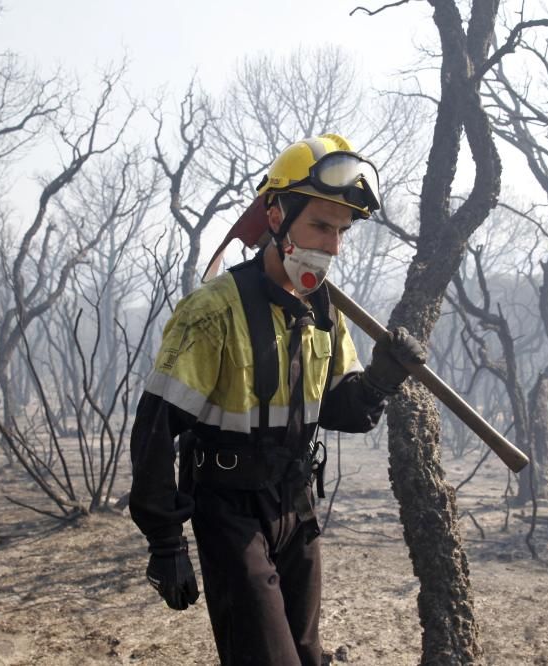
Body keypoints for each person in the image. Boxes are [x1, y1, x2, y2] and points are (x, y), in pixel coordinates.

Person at [128, 133, 426, 666]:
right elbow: (155, 428)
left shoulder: (326, 313)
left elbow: (343, 411)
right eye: (319, 225)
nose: (332, 245)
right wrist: (165, 542)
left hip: (295, 503)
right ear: (275, 215)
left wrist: (382, 379)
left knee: (308, 656)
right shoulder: (213, 311)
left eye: (341, 231)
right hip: (228, 509)